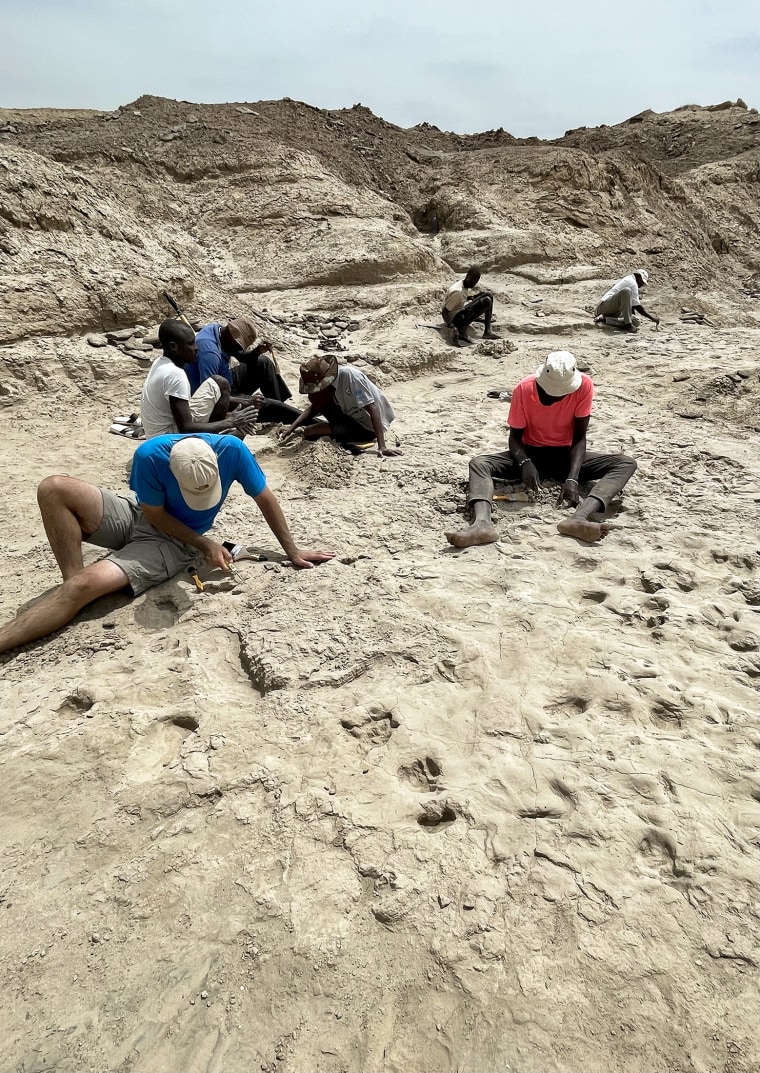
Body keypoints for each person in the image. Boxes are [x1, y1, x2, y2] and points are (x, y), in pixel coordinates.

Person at [0, 435, 334, 656]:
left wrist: (292, 550)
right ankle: (72, 591)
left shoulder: (232, 450)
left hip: (175, 544)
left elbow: (265, 497)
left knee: (84, 585)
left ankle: (75, 593)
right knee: (53, 488)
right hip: (144, 516)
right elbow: (153, 513)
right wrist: (203, 540)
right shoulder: (149, 454)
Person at [445, 351, 637, 547]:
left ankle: (580, 516)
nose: (556, 397)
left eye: (562, 393)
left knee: (625, 463)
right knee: (479, 464)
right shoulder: (523, 388)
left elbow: (579, 438)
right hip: (530, 455)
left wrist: (573, 477)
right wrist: (525, 462)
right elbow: (515, 438)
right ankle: (482, 524)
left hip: (566, 457)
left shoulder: (584, 386)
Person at [140, 319, 258, 439]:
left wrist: (229, 417)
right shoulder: (176, 374)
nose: (196, 348)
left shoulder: (160, 362)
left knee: (220, 383)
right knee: (238, 433)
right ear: (173, 347)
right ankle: (213, 441)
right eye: (191, 344)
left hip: (159, 434)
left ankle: (213, 437)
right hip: (166, 439)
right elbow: (185, 428)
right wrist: (231, 422)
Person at [277, 355, 401, 457]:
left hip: (369, 427)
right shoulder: (330, 388)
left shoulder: (349, 377)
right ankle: (334, 429)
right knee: (314, 400)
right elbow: (314, 406)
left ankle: (339, 432)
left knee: (310, 432)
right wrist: (291, 428)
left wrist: (382, 446)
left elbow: (372, 409)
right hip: (352, 417)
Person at [188, 317, 298, 422]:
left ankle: (280, 412)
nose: (240, 349)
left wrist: (257, 351)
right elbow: (210, 396)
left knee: (263, 363)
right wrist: (247, 402)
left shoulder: (218, 330)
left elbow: (242, 357)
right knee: (271, 405)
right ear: (232, 336)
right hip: (212, 399)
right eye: (239, 345)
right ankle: (297, 417)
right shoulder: (210, 354)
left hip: (225, 382)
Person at [442, 266, 499, 347]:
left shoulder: (463, 284)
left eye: (476, 281)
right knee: (487, 301)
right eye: (473, 281)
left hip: (459, 311)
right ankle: (462, 328)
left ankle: (487, 331)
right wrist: (451, 326)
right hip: (456, 319)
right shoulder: (458, 292)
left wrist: (473, 297)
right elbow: (444, 311)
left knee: (488, 295)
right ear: (468, 276)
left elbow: (461, 300)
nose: (474, 283)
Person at [594, 269, 660, 332]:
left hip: (612, 311)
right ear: (639, 277)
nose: (642, 284)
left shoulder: (631, 281)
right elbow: (638, 307)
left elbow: (633, 305)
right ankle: (628, 325)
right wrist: (652, 318)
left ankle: (605, 319)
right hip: (603, 307)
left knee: (636, 321)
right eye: (642, 282)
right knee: (626, 291)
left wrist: (631, 317)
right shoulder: (632, 282)